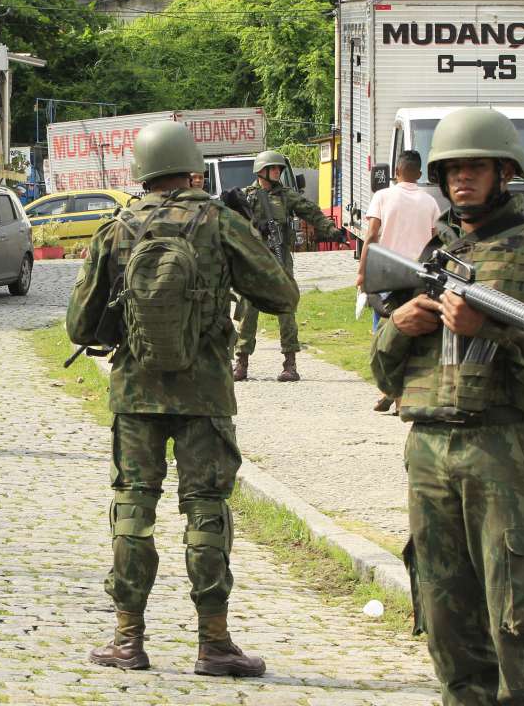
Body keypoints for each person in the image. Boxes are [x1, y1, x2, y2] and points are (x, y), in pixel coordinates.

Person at [370, 108, 524, 706]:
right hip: (427, 449)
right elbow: (384, 375)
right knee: (444, 610)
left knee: (519, 606)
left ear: (505, 172)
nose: (463, 179)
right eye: (452, 170)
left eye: (476, 167)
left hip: (501, 445)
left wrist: (493, 329)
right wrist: (398, 325)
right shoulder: (433, 255)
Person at [67, 121, 298, 676]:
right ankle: (214, 643)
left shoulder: (117, 229)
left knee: (133, 507)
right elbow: (281, 294)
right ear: (193, 169)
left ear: (141, 172)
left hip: (135, 393)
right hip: (206, 393)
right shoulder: (220, 222)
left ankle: (127, 640)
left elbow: (79, 325)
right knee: (206, 509)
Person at [231, 151, 346, 382]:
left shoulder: (286, 196)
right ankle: (241, 362)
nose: (277, 172)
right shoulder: (246, 196)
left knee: (286, 310)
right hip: (254, 261)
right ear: (261, 171)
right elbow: (232, 223)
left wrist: (332, 231)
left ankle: (290, 364)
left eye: (279, 169)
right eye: (273, 168)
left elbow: (311, 212)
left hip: (280, 259)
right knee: (248, 310)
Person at [356, 149, 440, 411]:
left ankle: (390, 390)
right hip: (419, 277)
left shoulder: (382, 196)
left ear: (396, 172)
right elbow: (436, 241)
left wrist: (362, 271)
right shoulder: (430, 202)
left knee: (384, 333)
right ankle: (398, 393)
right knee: (411, 333)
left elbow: (371, 235)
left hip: (386, 276)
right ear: (420, 173)